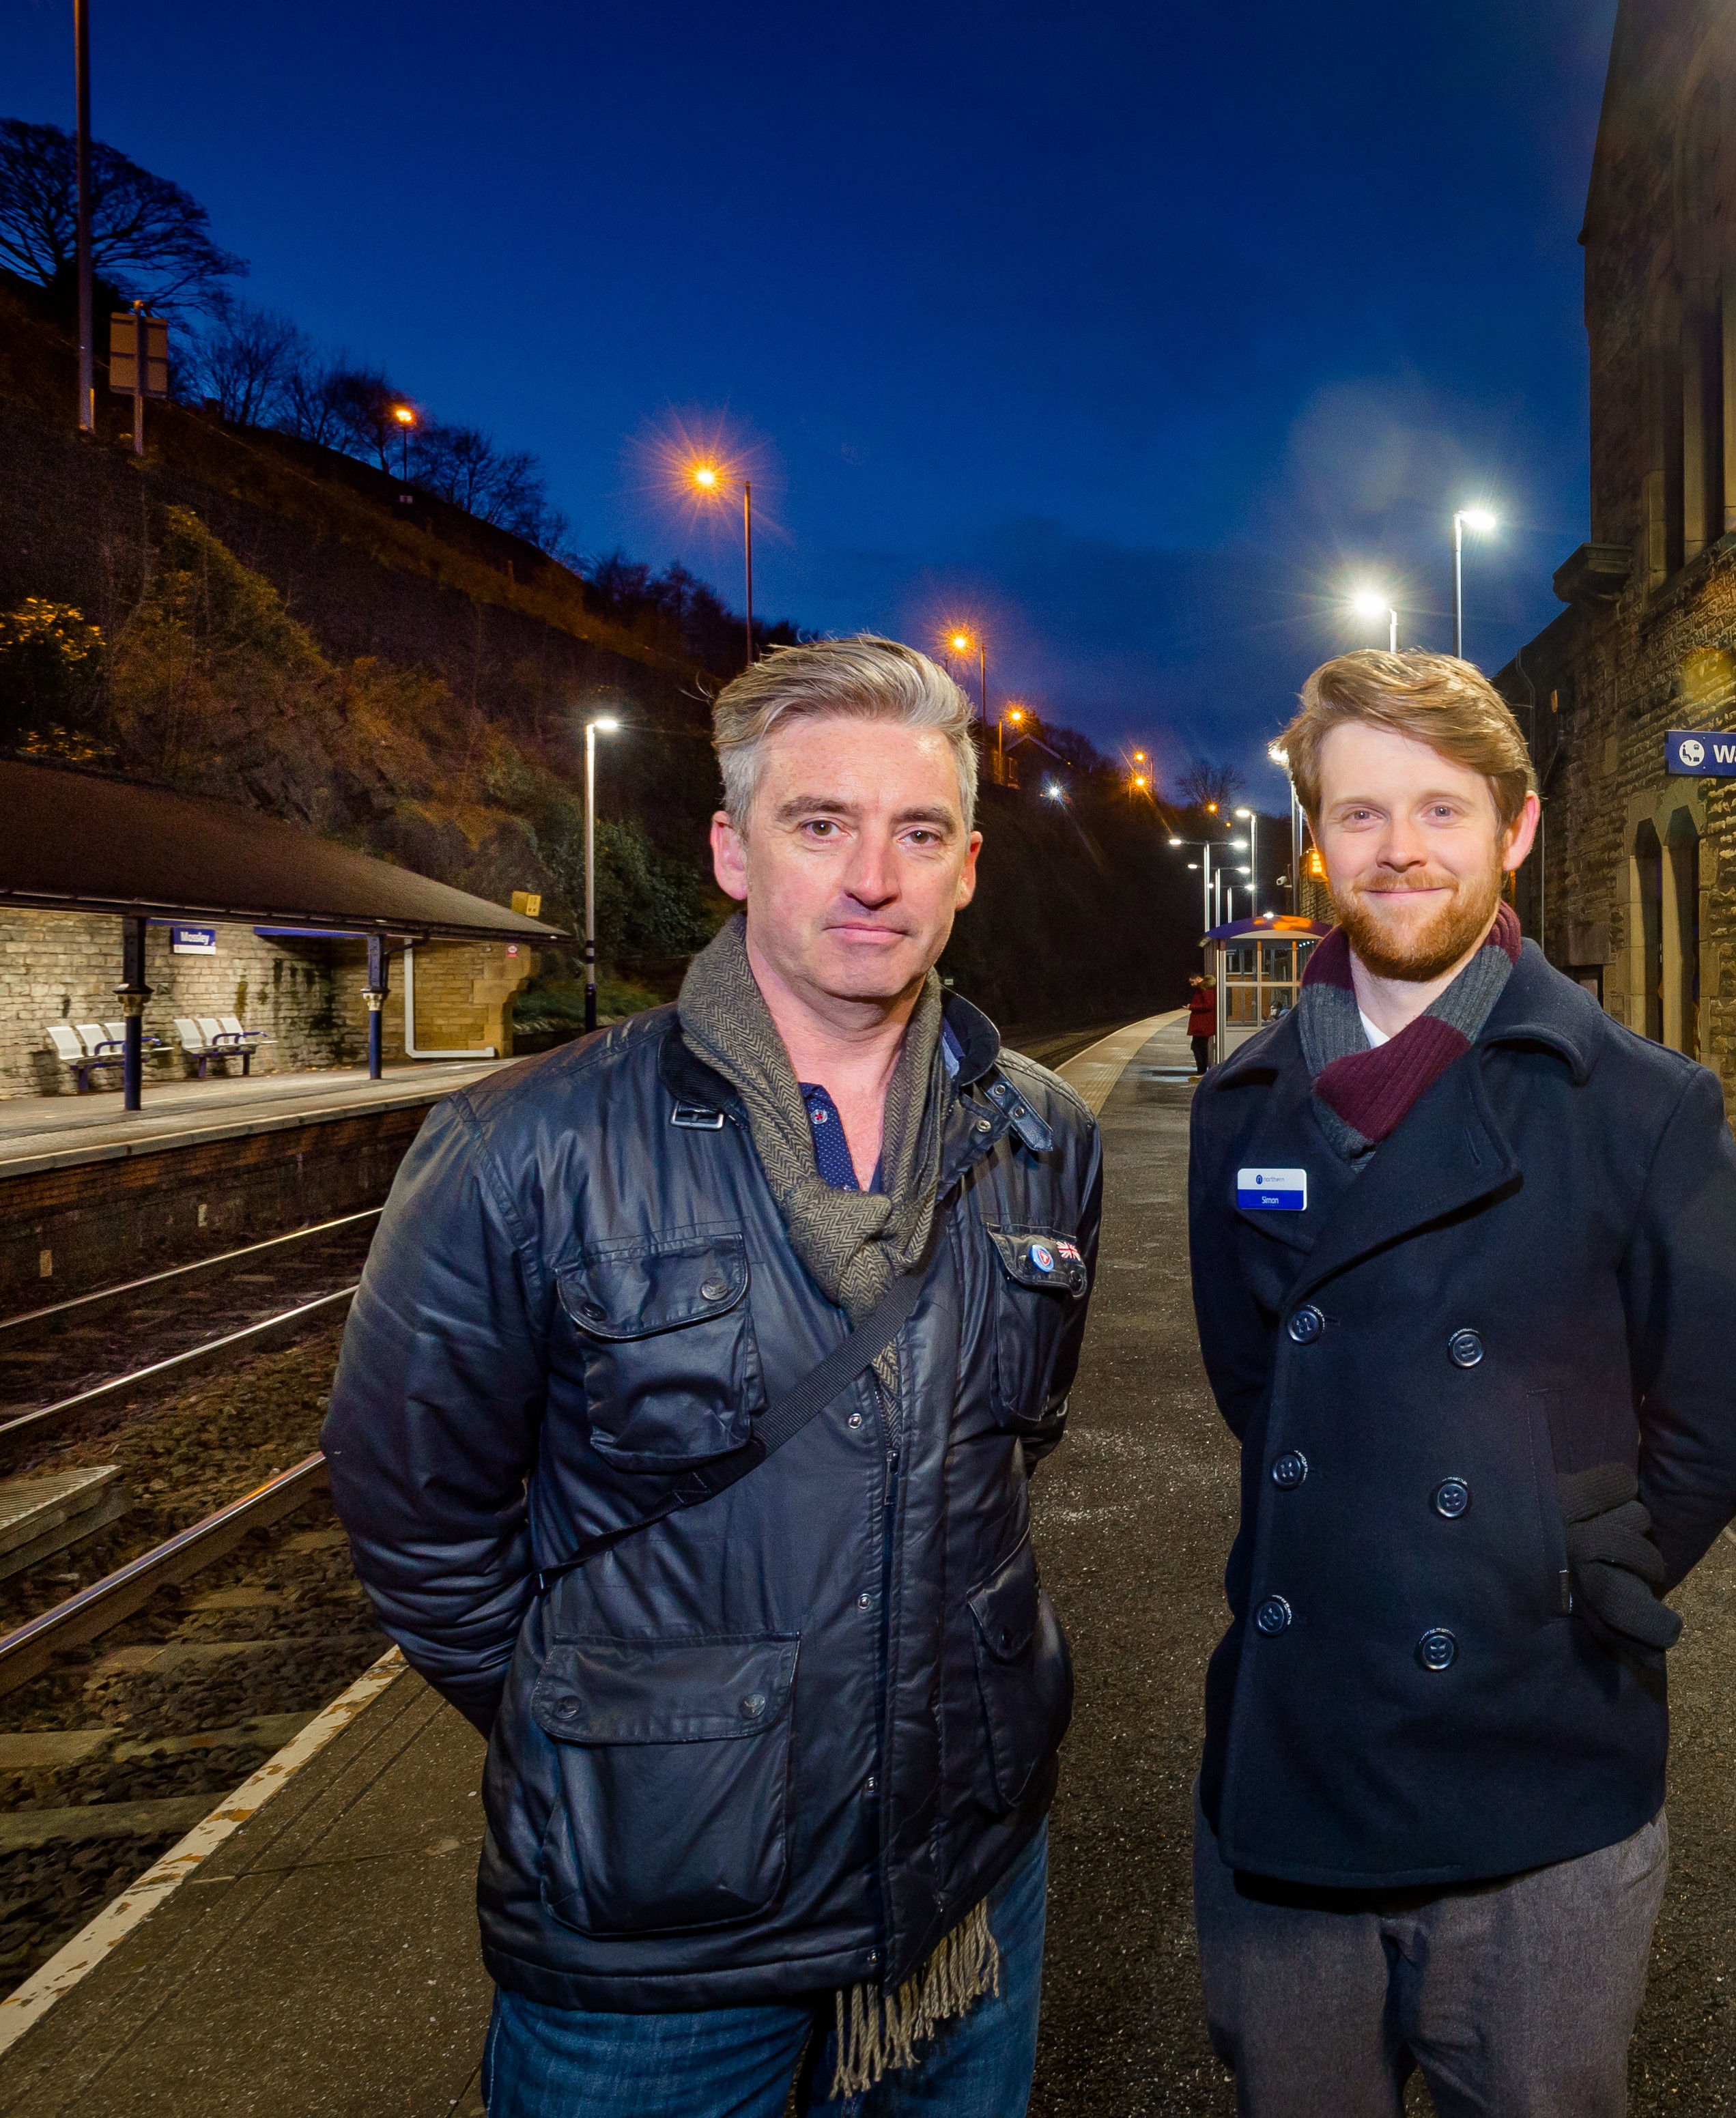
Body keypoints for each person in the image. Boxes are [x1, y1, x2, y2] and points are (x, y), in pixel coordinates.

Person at [324, 636, 1102, 2117]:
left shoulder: (1042, 1137)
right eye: (822, 824)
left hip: (962, 1888)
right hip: (653, 1947)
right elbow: (417, 1523)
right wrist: (638, 1732)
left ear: (969, 866)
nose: (873, 874)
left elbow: (994, 1451)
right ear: (734, 851)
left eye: (917, 832)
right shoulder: (526, 1147)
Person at [1185, 650, 1736, 2117]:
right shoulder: (1240, 1103)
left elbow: (1719, 1426)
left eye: (1441, 811)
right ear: (1315, 838)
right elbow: (1258, 1393)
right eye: (1362, 813)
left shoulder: (1641, 1103)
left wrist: (1556, 1566)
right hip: (1292, 1766)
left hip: (1541, 1779)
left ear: (1511, 831)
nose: (1401, 851)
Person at [1189, 973, 1219, 1076]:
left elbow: (1208, 1005)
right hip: (1203, 1023)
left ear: (1198, 978)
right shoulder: (1204, 988)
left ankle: (1201, 1070)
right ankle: (1202, 1070)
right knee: (1201, 1046)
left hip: (1203, 1024)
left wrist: (1192, 1007)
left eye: (1192, 982)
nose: (1192, 985)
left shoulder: (1205, 989)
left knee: (1197, 1046)